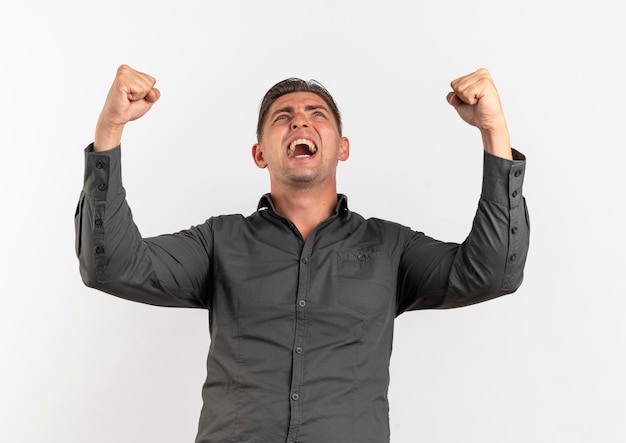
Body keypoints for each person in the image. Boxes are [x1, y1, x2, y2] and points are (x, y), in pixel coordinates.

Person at [75, 65, 529, 443]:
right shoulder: (218, 242)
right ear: (260, 154)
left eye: (316, 114)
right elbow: (111, 265)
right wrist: (110, 129)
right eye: (282, 117)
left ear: (342, 148)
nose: (300, 121)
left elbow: (492, 273)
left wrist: (494, 131)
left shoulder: (391, 248)